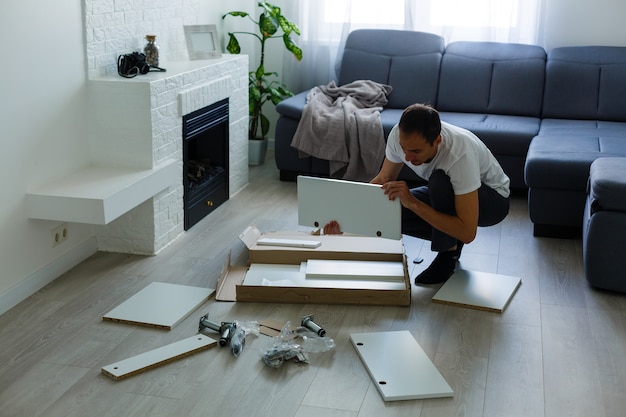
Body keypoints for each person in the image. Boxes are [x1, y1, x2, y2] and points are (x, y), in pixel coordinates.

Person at [324, 103, 510, 284]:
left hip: (493, 200)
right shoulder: (399, 135)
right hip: (451, 192)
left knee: (439, 181)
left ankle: (448, 255)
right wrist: (346, 218)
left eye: (415, 151)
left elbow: (468, 234)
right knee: (390, 211)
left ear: (437, 140)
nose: (407, 157)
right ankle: (451, 239)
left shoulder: (459, 153)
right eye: (404, 149)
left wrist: (412, 202)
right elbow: (383, 179)